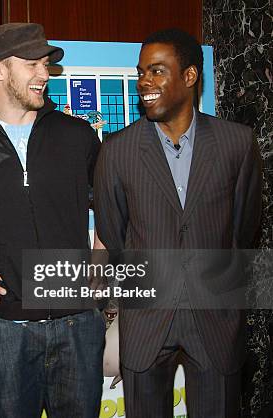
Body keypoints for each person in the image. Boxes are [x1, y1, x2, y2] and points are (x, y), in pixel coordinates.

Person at [94, 28, 262, 416]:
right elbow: (115, 237)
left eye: (156, 72)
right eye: (140, 73)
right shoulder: (116, 151)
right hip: (146, 322)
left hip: (215, 320)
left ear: (189, 77)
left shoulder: (238, 144)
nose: (144, 83)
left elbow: (243, 230)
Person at [0, 23, 105, 418]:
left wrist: (103, 252)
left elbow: (114, 202)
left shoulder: (78, 135)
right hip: (8, 328)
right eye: (32, 64)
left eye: (46, 64)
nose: (44, 74)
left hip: (78, 323)